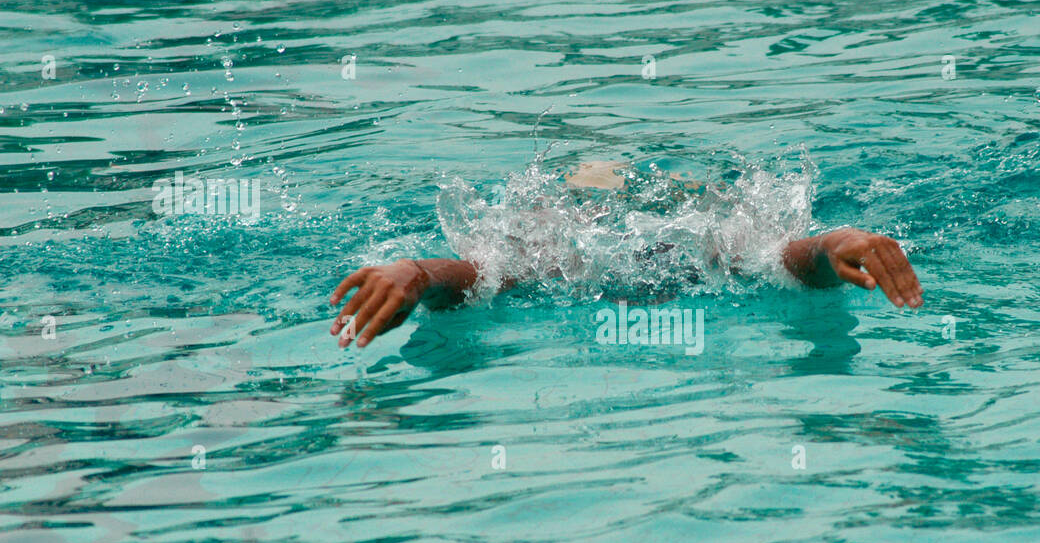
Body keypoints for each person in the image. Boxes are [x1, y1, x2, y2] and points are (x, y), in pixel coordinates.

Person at [328, 161, 923, 348]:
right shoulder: (564, 252)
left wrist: (835, 242)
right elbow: (481, 276)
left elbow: (788, 258)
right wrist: (415, 271)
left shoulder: (708, 242)